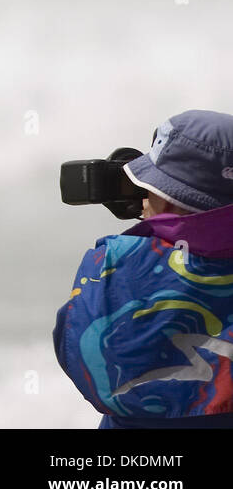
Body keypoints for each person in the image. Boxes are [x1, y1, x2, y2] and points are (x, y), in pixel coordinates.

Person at [54, 110, 233, 428]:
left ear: (166, 204)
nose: (142, 202)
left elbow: (68, 342)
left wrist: (150, 242)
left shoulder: (114, 267)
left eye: (149, 190)